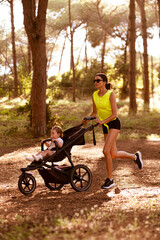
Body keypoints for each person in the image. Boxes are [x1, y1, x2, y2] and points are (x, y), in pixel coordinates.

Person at [83, 73, 143, 189]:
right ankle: (135, 157)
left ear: (104, 82)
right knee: (113, 154)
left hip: (114, 123)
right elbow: (95, 112)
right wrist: (87, 119)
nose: (95, 82)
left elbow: (115, 114)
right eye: (94, 80)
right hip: (105, 125)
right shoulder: (94, 95)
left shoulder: (110, 94)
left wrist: (102, 121)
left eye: (98, 80)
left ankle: (110, 180)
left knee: (106, 151)